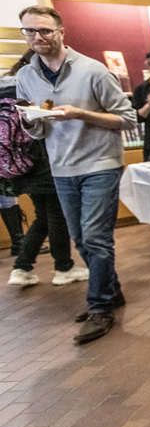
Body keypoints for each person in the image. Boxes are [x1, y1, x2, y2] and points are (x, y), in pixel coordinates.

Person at [16, 5, 138, 342]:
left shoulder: (93, 71)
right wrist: (31, 122)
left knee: (97, 237)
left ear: (60, 32)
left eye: (44, 31)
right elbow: (38, 130)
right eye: (30, 31)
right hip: (61, 167)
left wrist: (80, 114)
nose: (37, 37)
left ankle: (100, 308)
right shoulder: (26, 76)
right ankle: (111, 292)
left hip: (100, 163)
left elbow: (128, 119)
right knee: (81, 239)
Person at [3, 51, 83, 287]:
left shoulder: (5, 88)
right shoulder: (31, 87)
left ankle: (22, 267)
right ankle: (63, 267)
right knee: (57, 215)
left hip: (18, 165)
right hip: (44, 161)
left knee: (44, 217)